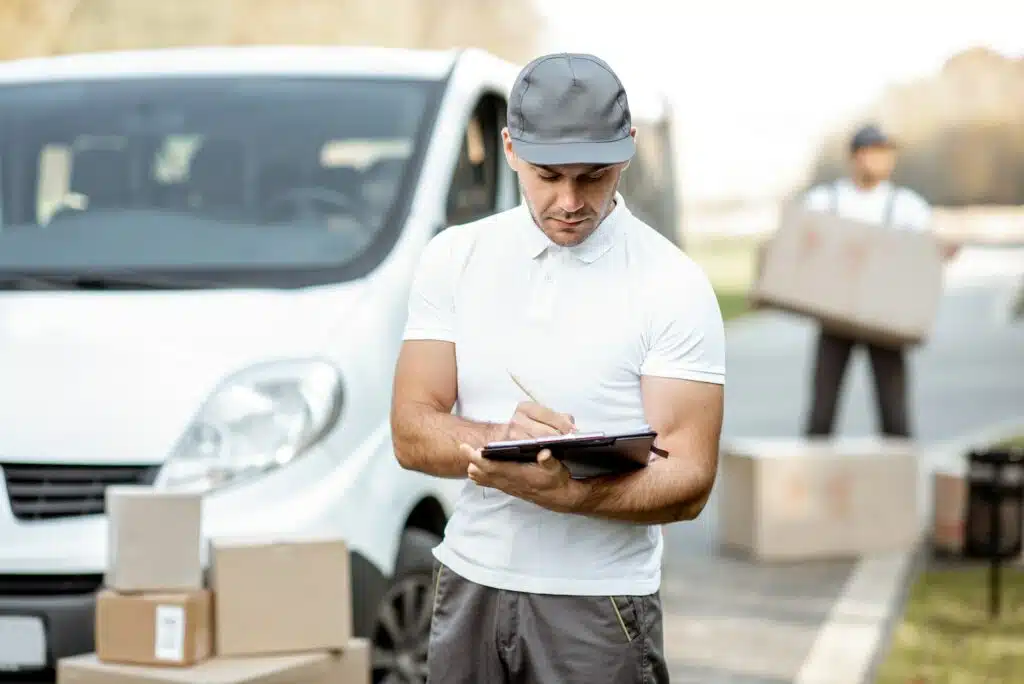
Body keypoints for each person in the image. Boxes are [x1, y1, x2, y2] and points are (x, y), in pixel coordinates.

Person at [390, 52, 725, 683]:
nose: (570, 201)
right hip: (468, 586)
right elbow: (410, 430)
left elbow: (691, 479)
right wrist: (500, 443)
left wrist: (572, 494)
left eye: (593, 177)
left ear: (626, 153)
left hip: (599, 604)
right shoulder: (454, 258)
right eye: (548, 175)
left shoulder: (672, 284)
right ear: (511, 149)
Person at [802, 123, 935, 438]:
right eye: (874, 153)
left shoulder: (907, 206)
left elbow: (927, 251)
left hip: (885, 318)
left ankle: (898, 476)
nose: (882, 161)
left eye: (886, 154)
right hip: (836, 314)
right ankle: (812, 474)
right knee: (822, 411)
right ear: (855, 157)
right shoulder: (825, 199)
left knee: (894, 413)